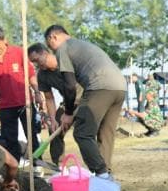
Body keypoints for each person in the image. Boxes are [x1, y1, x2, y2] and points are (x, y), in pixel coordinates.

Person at [43, 25, 126, 180]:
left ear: (53, 37)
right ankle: (105, 174)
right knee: (105, 132)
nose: (52, 50)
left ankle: (101, 173)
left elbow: (69, 85)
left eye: (50, 46)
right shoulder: (83, 44)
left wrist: (67, 113)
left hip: (100, 87)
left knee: (82, 133)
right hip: (120, 87)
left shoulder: (63, 49)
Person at [0, 27, 42, 167]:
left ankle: (37, 165)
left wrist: (37, 92)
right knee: (9, 138)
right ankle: (14, 167)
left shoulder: (19, 52)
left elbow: (31, 75)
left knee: (31, 135)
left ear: (5, 40)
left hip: (25, 102)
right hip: (6, 105)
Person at [27, 43, 83, 165]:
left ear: (45, 53)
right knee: (55, 129)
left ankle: (99, 170)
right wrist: (52, 119)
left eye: (37, 60)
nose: (36, 64)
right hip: (68, 103)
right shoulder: (42, 75)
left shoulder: (65, 61)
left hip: (87, 99)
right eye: (33, 62)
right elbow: (49, 98)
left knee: (84, 133)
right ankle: (59, 165)